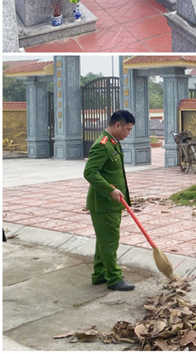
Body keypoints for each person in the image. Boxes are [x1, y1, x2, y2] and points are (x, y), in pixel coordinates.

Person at [83, 110, 136, 291]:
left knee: (103, 240)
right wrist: (110, 190)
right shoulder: (102, 145)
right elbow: (89, 172)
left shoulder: (113, 142)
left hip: (111, 203)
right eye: (127, 130)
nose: (128, 134)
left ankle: (99, 274)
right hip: (104, 203)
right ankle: (114, 278)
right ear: (117, 125)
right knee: (110, 241)